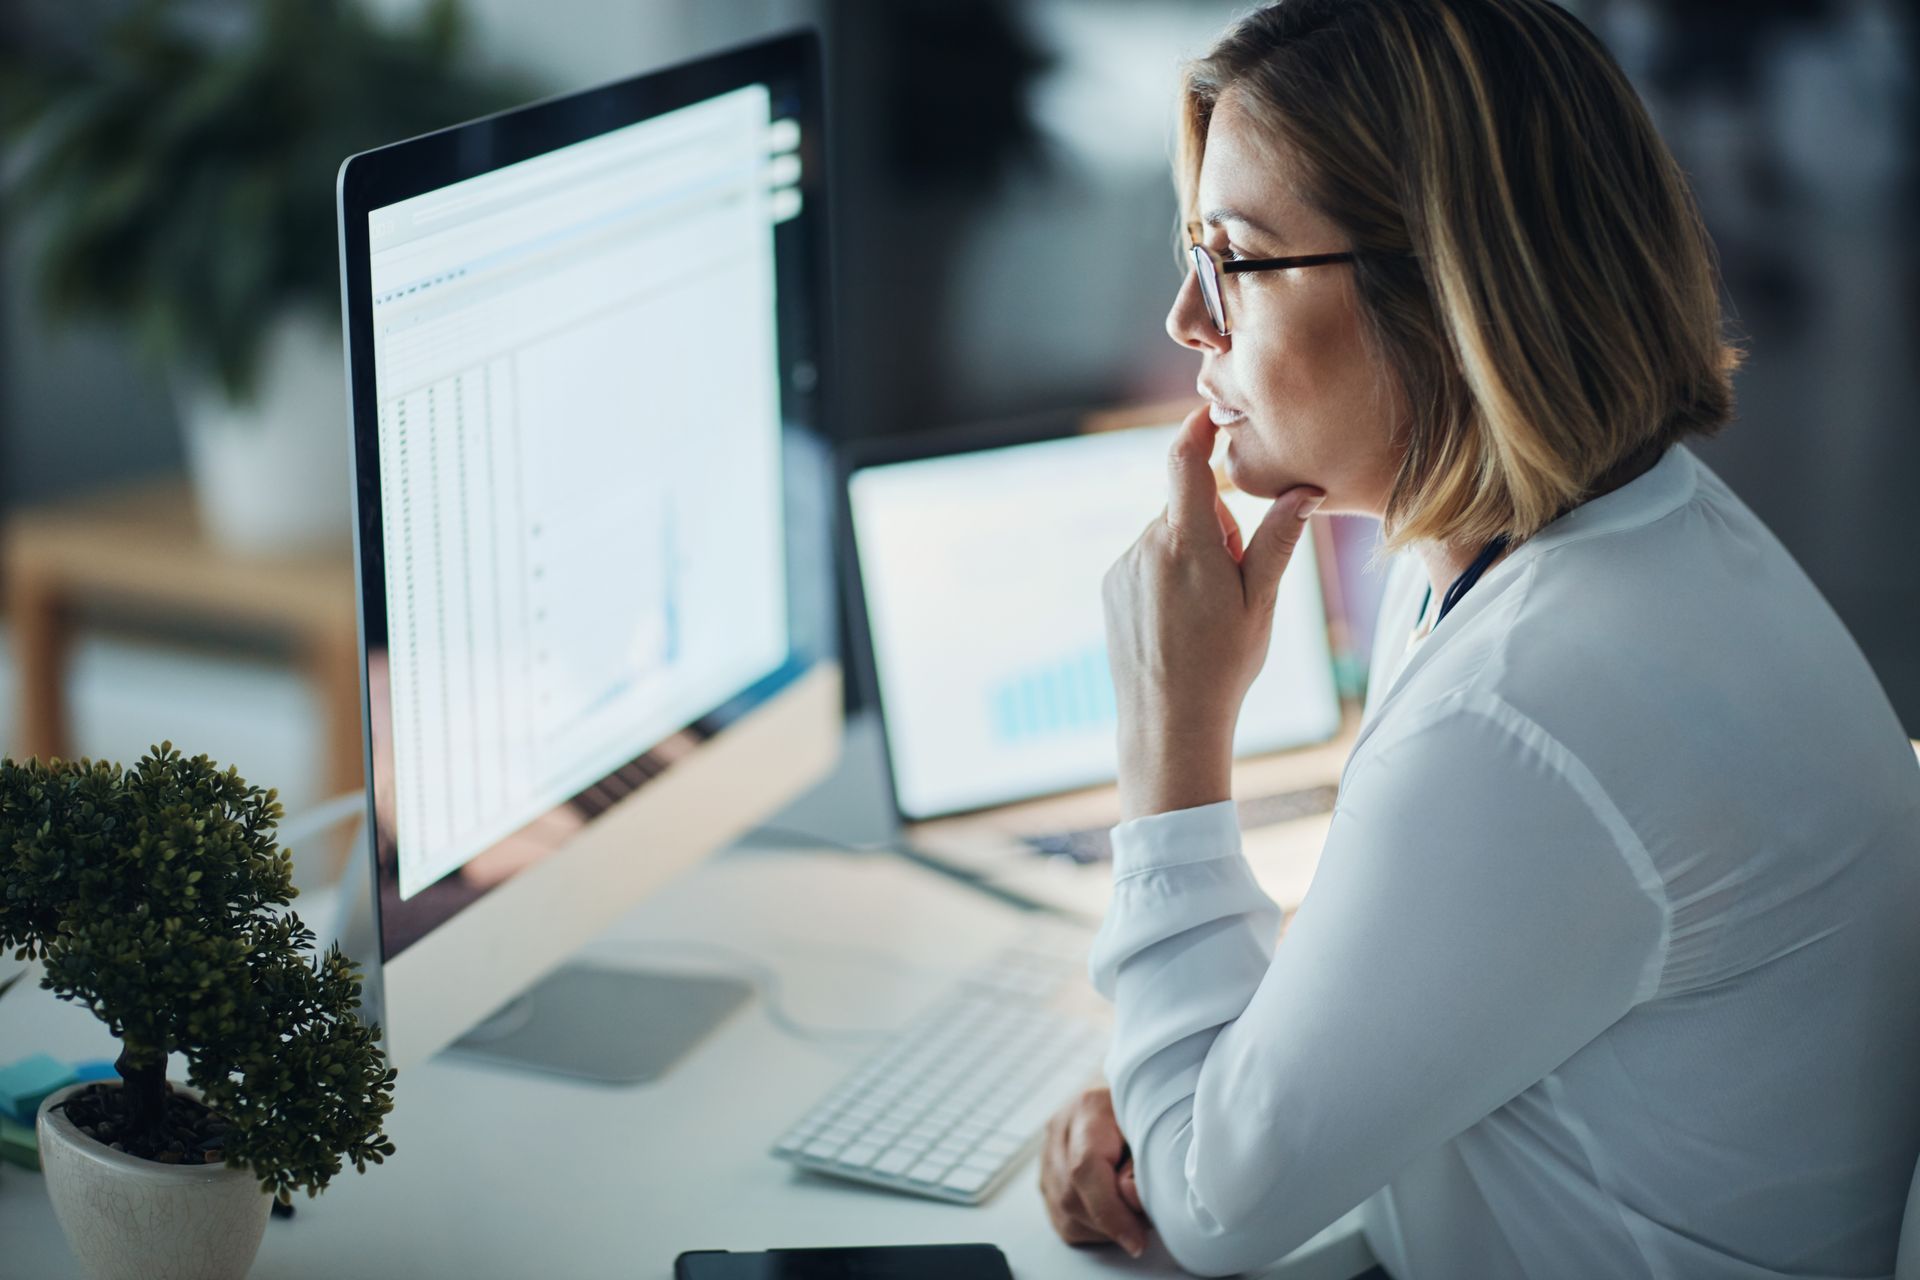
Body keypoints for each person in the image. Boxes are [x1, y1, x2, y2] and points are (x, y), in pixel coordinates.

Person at [1036, 2, 1920, 1277]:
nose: (1187, 318)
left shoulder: (1531, 706)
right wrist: (1197, 1080)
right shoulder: (1596, 532)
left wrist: (1172, 741)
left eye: (1233, 256)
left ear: (1443, 293)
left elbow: (1205, 1215)